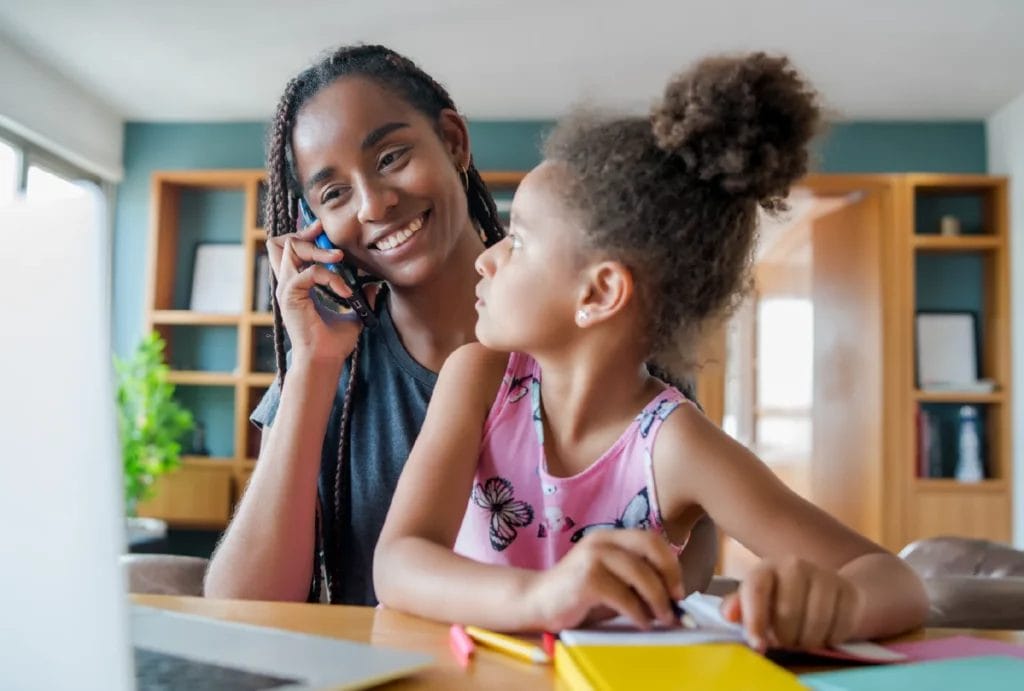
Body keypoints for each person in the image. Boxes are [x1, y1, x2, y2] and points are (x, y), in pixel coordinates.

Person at [373, 52, 929, 649]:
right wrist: (544, 598)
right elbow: (399, 563)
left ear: (600, 292)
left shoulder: (676, 445)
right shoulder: (479, 378)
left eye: (521, 241)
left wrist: (833, 604)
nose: (487, 258)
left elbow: (897, 582)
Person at [203, 44, 719, 605]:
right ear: (316, 228)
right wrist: (311, 369)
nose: (373, 204)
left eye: (391, 157)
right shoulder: (326, 367)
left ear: (453, 142)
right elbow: (243, 609)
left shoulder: (605, 329)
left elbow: (691, 542)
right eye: (334, 194)